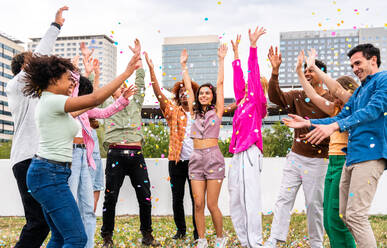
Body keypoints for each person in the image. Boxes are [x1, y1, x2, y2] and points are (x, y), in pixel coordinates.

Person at [22, 39, 140, 247]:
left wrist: (119, 99)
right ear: (53, 79)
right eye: (69, 79)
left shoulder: (54, 103)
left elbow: (87, 109)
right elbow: (94, 99)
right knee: (76, 238)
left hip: (50, 173)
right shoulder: (53, 101)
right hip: (49, 174)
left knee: (60, 236)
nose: (72, 84)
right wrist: (126, 73)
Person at [284, 43, 386, 248]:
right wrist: (309, 123)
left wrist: (335, 126)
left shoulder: (383, 80)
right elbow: (341, 116)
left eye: (358, 63)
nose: (355, 68)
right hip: (352, 157)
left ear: (373, 60)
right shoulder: (360, 92)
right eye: (352, 66)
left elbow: (373, 110)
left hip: (370, 156)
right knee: (343, 216)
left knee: (356, 216)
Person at [5, 7, 68, 248]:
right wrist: (56, 26)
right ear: (25, 69)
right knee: (38, 222)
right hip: (26, 159)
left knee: (50, 222)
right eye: (34, 65)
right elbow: (40, 54)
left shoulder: (37, 96)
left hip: (40, 160)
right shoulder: (17, 86)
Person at [264, 47, 334, 248]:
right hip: (295, 157)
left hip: (319, 160)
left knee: (314, 205)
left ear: (322, 74)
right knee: (284, 198)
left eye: (311, 70)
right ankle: (274, 239)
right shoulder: (297, 95)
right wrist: (275, 72)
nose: (308, 74)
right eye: (305, 71)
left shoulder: (331, 99)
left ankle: (316, 243)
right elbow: (276, 97)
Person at [289, 48, 358, 248]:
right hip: (332, 163)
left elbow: (336, 89)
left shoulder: (354, 105)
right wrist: (300, 73)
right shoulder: (336, 109)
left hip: (344, 162)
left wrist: (314, 68)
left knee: (337, 219)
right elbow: (314, 95)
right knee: (328, 219)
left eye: (338, 95)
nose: (334, 98)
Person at [100, 39, 160, 247]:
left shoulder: (135, 104)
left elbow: (141, 83)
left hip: (135, 155)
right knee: (111, 197)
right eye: (118, 88)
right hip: (115, 155)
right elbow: (92, 96)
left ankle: (147, 235)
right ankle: (107, 236)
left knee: (145, 196)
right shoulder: (107, 106)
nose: (122, 89)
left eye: (125, 87)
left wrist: (139, 59)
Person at [69, 71, 136, 248]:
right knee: (71, 205)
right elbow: (80, 99)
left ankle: (88, 245)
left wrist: (122, 99)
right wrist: (76, 73)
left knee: (88, 207)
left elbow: (106, 112)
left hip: (85, 156)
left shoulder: (85, 110)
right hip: (70, 156)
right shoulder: (66, 105)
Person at [144, 52, 199, 240]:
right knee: (177, 198)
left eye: (188, 91)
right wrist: (151, 69)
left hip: (196, 162)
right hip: (176, 162)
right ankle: (181, 230)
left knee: (196, 199)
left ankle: (198, 232)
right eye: (181, 91)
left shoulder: (200, 113)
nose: (184, 93)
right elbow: (159, 93)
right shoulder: (172, 112)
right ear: (178, 95)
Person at [180, 44, 228, 248]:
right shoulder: (194, 112)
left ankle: (220, 237)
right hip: (196, 158)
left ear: (213, 96)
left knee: (211, 204)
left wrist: (221, 60)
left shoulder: (217, 112)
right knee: (198, 203)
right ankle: (201, 239)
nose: (203, 95)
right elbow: (189, 89)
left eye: (207, 93)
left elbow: (220, 82)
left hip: (213, 157)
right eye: (202, 93)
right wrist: (184, 66)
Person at [228, 27, 267, 248]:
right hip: (238, 153)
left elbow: (252, 74)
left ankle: (255, 243)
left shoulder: (257, 103)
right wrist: (235, 56)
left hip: (250, 152)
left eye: (252, 85)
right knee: (236, 198)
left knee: (250, 199)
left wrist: (252, 47)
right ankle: (245, 241)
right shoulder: (242, 103)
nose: (247, 86)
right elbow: (238, 79)